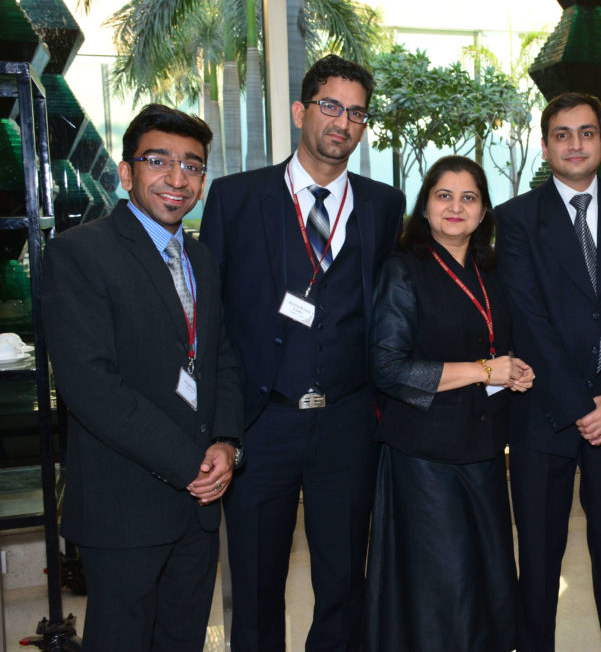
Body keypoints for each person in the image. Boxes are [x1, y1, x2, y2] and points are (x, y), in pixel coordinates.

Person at [200, 55, 405, 652]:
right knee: (256, 586)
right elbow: (211, 319)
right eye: (331, 106)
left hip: (348, 422)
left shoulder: (383, 204)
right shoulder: (236, 198)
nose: (343, 122)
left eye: (357, 113)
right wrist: (219, 424)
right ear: (300, 112)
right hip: (261, 423)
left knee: (343, 584)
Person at [42, 104, 244, 651]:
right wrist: (187, 464)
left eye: (192, 165)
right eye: (159, 161)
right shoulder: (79, 254)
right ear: (126, 173)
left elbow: (222, 359)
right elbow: (91, 386)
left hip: (198, 507)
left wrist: (227, 444)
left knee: (182, 640)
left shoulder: (202, 260)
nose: (177, 178)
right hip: (125, 507)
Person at [495, 91, 601, 651]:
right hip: (544, 418)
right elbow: (529, 321)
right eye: (562, 134)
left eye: (586, 132)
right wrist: (582, 409)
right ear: (545, 147)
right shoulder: (516, 219)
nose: (575, 144)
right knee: (539, 567)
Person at [364, 155, 532, 651]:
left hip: (484, 451)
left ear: (483, 212)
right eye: (444, 196)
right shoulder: (403, 270)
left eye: (468, 198)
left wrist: (511, 368)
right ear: (425, 207)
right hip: (426, 460)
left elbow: (492, 346)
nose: (456, 207)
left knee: (487, 586)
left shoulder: (490, 270)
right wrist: (484, 371)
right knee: (445, 590)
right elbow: (388, 369)